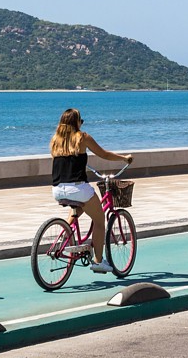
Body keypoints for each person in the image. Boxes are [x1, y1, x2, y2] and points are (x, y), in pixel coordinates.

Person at [49, 108, 132, 274]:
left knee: (78, 208)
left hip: (57, 189)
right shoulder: (82, 137)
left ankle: (65, 236)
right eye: (81, 120)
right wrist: (124, 158)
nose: (82, 123)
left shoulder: (55, 141)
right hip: (78, 188)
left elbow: (64, 161)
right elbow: (104, 154)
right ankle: (98, 261)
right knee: (100, 221)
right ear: (76, 122)